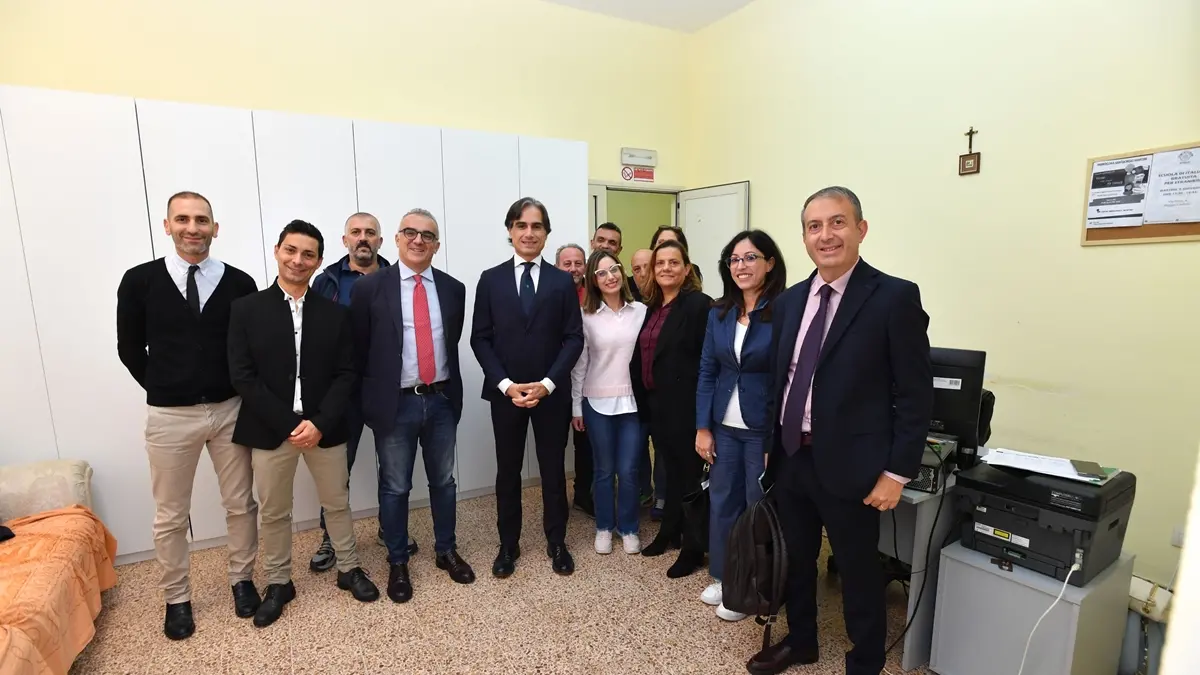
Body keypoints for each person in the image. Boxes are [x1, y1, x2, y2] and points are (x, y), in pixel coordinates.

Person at [747, 187, 933, 675]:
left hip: (855, 465)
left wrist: (897, 472)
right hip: (792, 457)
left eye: (837, 222)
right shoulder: (789, 301)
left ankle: (865, 659)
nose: (825, 235)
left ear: (860, 229)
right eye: (814, 226)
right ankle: (801, 641)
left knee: (858, 568)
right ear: (804, 238)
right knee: (796, 560)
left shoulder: (894, 297)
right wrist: (770, 445)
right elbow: (779, 381)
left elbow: (915, 395)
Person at [116, 191, 260, 640]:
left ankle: (242, 580)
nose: (192, 228)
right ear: (167, 226)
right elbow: (129, 348)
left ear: (215, 228)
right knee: (171, 514)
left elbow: (249, 349)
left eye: (201, 220)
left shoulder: (239, 283)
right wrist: (165, 387)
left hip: (230, 411)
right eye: (182, 219)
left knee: (241, 503)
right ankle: (176, 598)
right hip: (170, 416)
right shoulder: (139, 281)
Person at [227, 220, 380, 628]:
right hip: (270, 429)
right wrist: (288, 423)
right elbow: (243, 376)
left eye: (308, 254)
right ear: (277, 251)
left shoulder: (336, 314)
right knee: (275, 511)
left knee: (337, 502)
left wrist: (319, 422)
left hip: (324, 428)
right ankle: (279, 582)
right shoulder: (246, 310)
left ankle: (348, 568)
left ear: (318, 261)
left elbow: (346, 374)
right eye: (291, 251)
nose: (298, 260)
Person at [350, 208, 475, 603]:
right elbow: (359, 350)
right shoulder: (370, 288)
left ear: (437, 245)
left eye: (428, 235)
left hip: (440, 401)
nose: (419, 240)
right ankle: (398, 560)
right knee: (395, 486)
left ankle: (446, 550)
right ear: (397, 239)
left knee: (444, 482)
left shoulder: (454, 289)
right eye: (410, 232)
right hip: (395, 405)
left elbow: (450, 341)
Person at [470, 197, 584, 578]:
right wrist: (506, 385)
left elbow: (574, 338)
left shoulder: (561, 281)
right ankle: (508, 544)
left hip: (551, 394)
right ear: (510, 230)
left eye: (537, 226)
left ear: (546, 233)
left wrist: (548, 384)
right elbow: (480, 338)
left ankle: (557, 541)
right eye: (521, 225)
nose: (529, 233)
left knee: (553, 471)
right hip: (507, 395)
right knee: (508, 472)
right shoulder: (490, 279)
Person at [308, 212, 418, 571]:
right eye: (355, 232)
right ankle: (331, 537)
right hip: (342, 394)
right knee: (338, 470)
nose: (363, 238)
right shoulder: (326, 281)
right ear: (345, 241)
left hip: (391, 389)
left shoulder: (398, 278)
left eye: (370, 232)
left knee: (393, 469)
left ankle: (390, 529)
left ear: (381, 241)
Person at [695, 230, 787, 622]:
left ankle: (754, 585)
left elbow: (786, 380)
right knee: (722, 503)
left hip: (761, 430)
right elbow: (707, 370)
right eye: (734, 259)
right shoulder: (719, 313)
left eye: (750, 258)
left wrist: (773, 440)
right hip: (724, 427)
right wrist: (703, 427)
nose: (741, 266)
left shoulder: (783, 312)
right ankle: (723, 576)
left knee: (757, 508)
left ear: (770, 263)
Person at [632, 240, 711, 578]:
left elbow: (707, 361)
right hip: (657, 404)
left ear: (686, 269)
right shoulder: (651, 306)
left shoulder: (698, 305)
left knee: (690, 478)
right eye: (660, 263)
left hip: (686, 406)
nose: (666, 268)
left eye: (673, 262)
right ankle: (669, 532)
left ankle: (693, 549)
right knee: (672, 475)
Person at [570, 250, 647, 555]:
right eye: (601, 273)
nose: (610, 277)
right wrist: (576, 406)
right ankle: (604, 526)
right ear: (593, 280)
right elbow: (580, 365)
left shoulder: (641, 311)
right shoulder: (585, 316)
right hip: (596, 400)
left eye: (613, 269)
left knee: (628, 470)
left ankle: (628, 527)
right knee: (603, 469)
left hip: (633, 403)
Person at [555, 243, 594, 517]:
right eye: (566, 263)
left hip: (589, 381)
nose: (573, 269)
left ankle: (583, 494)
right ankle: (557, 499)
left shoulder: (595, 296)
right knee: (556, 445)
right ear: (557, 267)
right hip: (556, 382)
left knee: (586, 444)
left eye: (578, 263)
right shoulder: (549, 295)